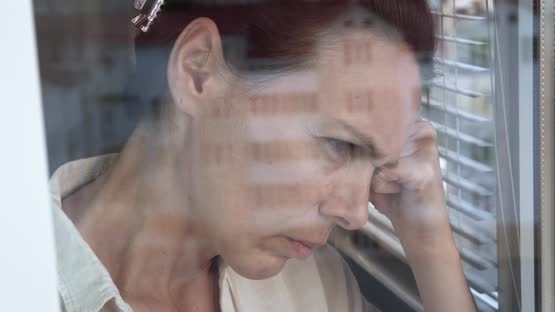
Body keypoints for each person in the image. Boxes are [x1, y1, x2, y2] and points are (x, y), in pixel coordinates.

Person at [51, 0, 477, 311]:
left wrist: (429, 244)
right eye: (340, 145)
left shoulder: (315, 292)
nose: (356, 214)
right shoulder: (18, 276)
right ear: (198, 71)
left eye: (378, 165)